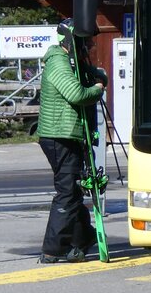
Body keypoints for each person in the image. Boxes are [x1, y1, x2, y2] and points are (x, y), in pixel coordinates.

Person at [35, 19, 106, 264]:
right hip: (59, 136)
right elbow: (76, 94)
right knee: (67, 192)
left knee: (74, 190)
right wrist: (97, 89)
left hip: (68, 135)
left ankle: (82, 239)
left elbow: (89, 76)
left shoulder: (72, 62)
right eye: (84, 41)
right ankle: (52, 249)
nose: (88, 45)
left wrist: (95, 75)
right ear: (71, 41)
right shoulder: (58, 61)